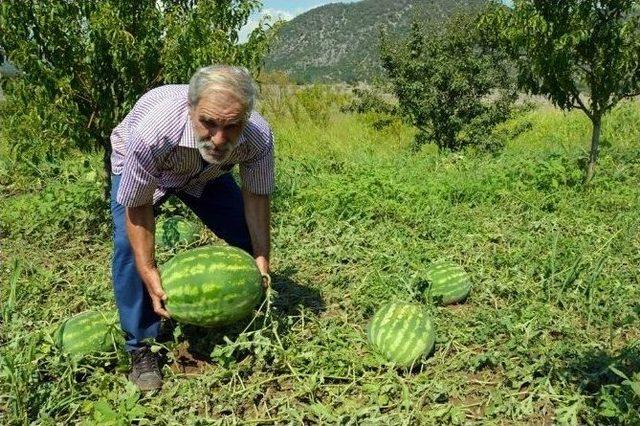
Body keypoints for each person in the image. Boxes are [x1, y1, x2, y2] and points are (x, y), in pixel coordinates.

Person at [110, 65, 274, 391]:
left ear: (246, 116)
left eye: (232, 126)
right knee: (131, 249)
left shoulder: (257, 137)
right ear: (191, 108)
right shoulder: (154, 133)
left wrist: (262, 257)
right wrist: (149, 268)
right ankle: (141, 346)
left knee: (245, 232)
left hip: (207, 173)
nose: (218, 138)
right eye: (209, 123)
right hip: (150, 165)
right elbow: (138, 206)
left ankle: (241, 308)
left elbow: (256, 196)